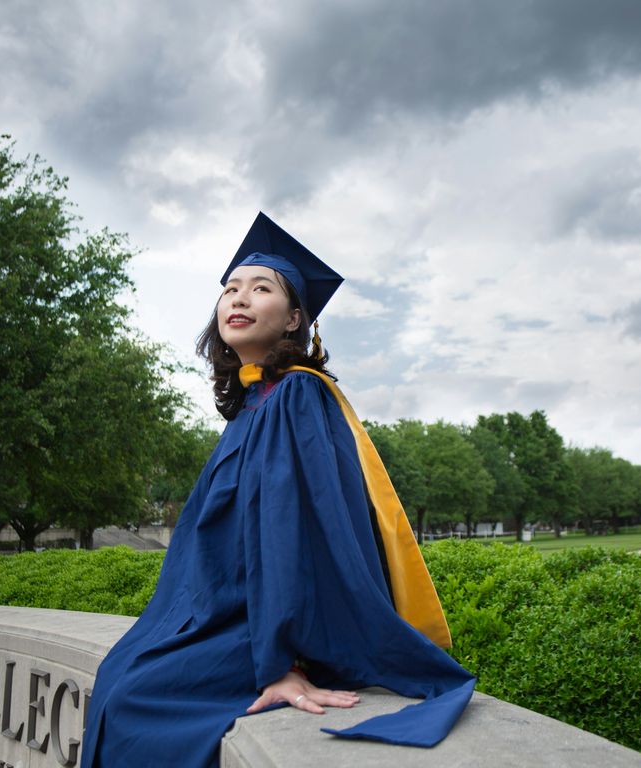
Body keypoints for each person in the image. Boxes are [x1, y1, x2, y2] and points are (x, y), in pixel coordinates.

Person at [81, 213, 475, 768]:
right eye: (229, 289)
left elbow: (292, 534)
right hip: (223, 614)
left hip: (259, 625)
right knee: (120, 672)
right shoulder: (251, 406)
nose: (238, 298)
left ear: (295, 318)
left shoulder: (295, 398)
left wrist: (281, 660)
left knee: (136, 700)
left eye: (260, 288)